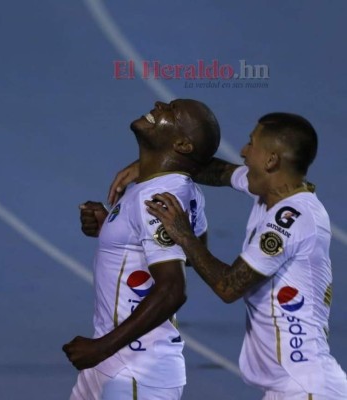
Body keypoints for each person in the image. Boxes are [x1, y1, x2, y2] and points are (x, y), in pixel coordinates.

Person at [109, 112, 347, 399]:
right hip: (291, 387)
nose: (243, 152)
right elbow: (218, 172)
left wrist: (183, 234)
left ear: (271, 161)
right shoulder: (273, 192)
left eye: (251, 144)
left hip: (304, 388)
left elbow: (229, 286)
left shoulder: (291, 218)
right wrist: (154, 167)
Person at [62, 99, 220, 399]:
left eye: (172, 111)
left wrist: (100, 348)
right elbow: (192, 256)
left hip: (134, 368)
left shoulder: (159, 194)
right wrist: (112, 229)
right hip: (117, 365)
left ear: (183, 145)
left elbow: (173, 289)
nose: (160, 104)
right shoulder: (173, 187)